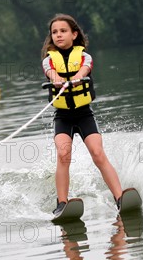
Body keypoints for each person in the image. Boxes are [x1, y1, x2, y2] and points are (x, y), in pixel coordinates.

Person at [41, 13, 123, 215]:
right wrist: (57, 78)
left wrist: (77, 77)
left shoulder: (85, 56)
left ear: (74, 34)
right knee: (63, 154)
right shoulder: (48, 61)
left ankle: (120, 197)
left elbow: (85, 69)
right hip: (63, 117)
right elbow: (51, 72)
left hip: (84, 114)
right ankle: (62, 203)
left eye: (63, 31)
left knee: (97, 153)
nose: (58, 35)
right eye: (54, 33)